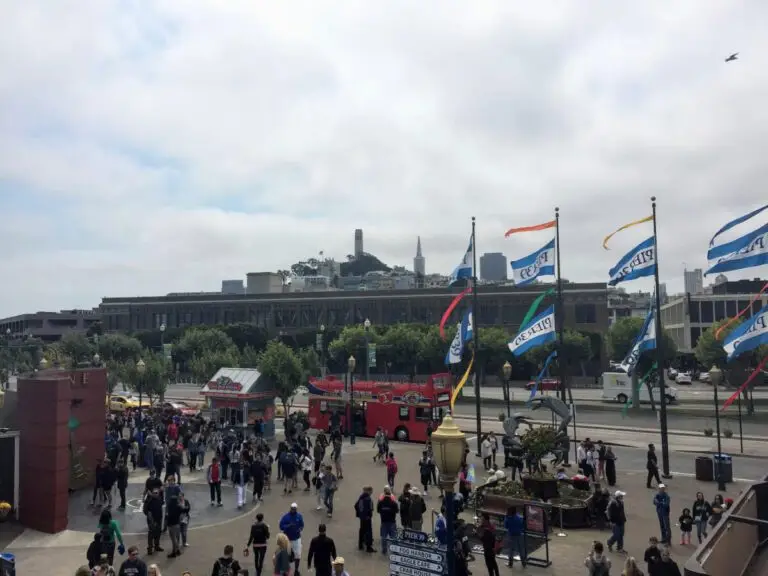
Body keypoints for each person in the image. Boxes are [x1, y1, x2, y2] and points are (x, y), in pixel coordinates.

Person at [279, 503, 305, 576]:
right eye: (292, 508)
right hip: (287, 539)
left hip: (296, 539)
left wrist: (300, 529)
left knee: (297, 555)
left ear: (296, 509)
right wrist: (288, 526)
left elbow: (302, 525)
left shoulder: (299, 516)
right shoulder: (285, 517)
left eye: (294, 508)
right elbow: (281, 526)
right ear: (290, 508)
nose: (293, 510)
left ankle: (296, 570)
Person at [377, 485, 399, 554]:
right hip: (392, 521)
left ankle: (384, 550)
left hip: (383, 521)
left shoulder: (381, 502)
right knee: (393, 536)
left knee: (384, 537)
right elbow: (397, 511)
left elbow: (378, 510)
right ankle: (394, 550)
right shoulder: (393, 503)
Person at [143, 488, 164, 555]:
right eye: (154, 493)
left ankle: (157, 546)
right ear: (152, 493)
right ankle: (150, 548)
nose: (155, 494)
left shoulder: (159, 498)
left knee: (158, 533)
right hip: (151, 520)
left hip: (159, 519)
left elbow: (160, 508)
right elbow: (145, 510)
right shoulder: (149, 500)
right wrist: (151, 519)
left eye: (156, 493)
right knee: (151, 533)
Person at [354, 486, 375, 552]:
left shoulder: (361, 497)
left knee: (362, 530)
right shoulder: (368, 499)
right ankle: (369, 547)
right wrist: (368, 515)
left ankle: (360, 544)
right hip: (367, 518)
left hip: (362, 517)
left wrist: (359, 514)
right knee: (368, 531)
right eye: (371, 491)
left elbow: (356, 505)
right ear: (368, 491)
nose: (372, 492)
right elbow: (370, 508)